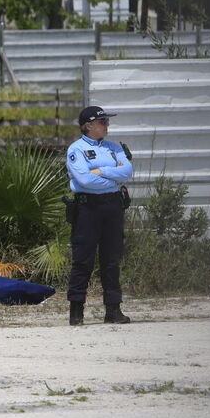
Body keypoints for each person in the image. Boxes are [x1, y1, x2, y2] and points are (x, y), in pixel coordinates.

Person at [65, 105, 133, 326]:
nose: (107, 125)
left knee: (111, 260)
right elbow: (85, 180)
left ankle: (113, 309)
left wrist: (102, 171)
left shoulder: (114, 147)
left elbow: (127, 172)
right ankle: (76, 311)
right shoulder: (76, 149)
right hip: (88, 209)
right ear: (88, 125)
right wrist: (113, 178)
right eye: (102, 122)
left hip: (113, 206)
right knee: (83, 260)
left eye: (107, 122)